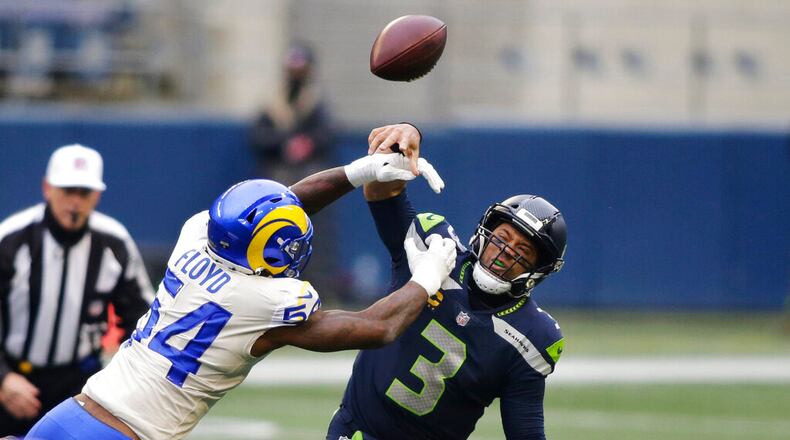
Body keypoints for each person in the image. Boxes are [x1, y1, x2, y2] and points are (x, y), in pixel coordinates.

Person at [25, 147, 454, 440]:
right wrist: (429, 275)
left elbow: (279, 204)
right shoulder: (264, 303)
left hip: (72, 413)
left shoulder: (196, 235)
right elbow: (377, 327)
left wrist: (358, 172)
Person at [324, 124, 568, 440]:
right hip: (358, 431)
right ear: (486, 231)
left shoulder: (533, 336)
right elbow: (381, 192)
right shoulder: (438, 248)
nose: (505, 254)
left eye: (522, 251)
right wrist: (405, 140)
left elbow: (525, 431)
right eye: (503, 239)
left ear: (538, 270)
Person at [0, 144, 154, 436]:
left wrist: (123, 385)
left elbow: (143, 321)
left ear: (96, 195)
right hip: (13, 377)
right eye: (67, 190)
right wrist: (3, 379)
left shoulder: (113, 243)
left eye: (83, 193)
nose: (74, 201)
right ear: (48, 188)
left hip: (80, 385)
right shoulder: (11, 239)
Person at [249, 42, 335, 184]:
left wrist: (307, 143)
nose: (296, 74)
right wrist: (285, 143)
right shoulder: (272, 101)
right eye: (292, 70)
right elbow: (258, 137)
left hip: (309, 170)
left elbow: (327, 135)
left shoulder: (316, 100)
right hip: (276, 170)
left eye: (301, 70)